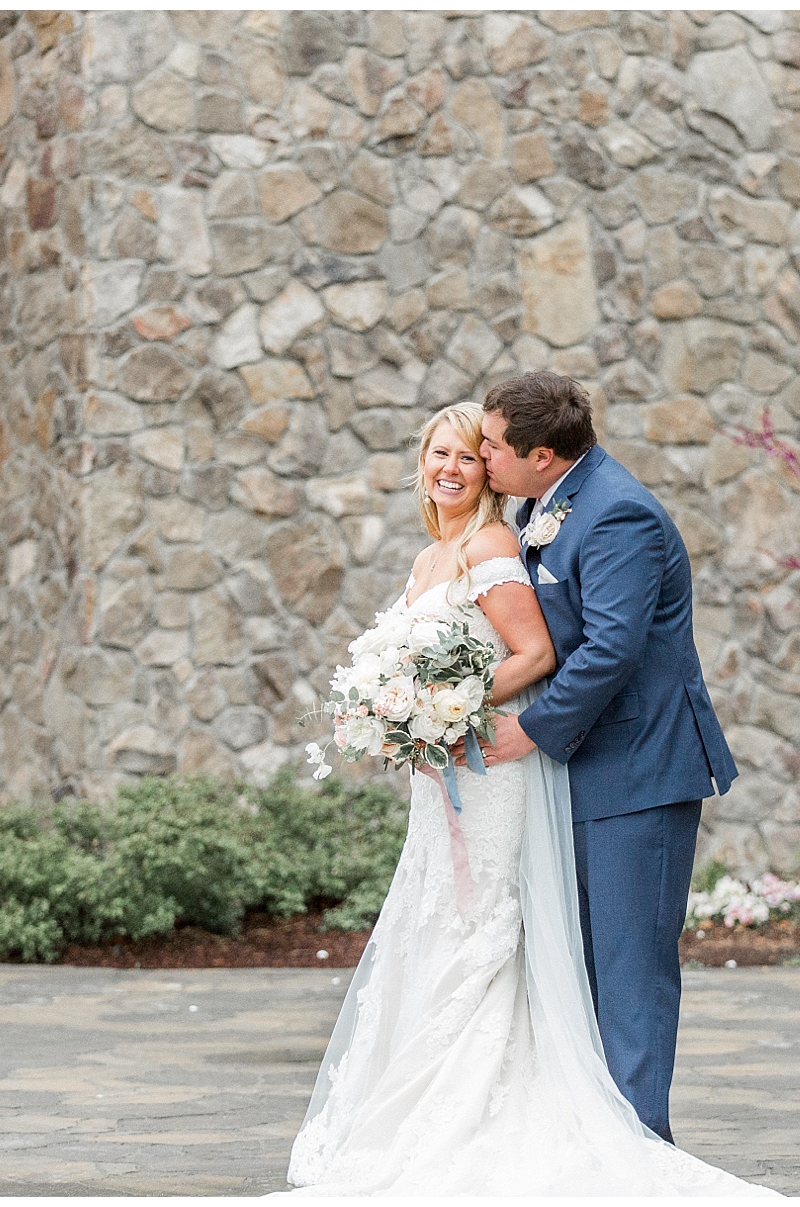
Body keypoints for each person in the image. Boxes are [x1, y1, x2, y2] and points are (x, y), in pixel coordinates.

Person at [286, 393, 767, 1195]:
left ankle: (640, 1150)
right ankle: (589, 1128)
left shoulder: (619, 515)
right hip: (570, 769)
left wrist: (522, 727)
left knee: (628, 964)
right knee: (570, 961)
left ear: (539, 458)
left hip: (636, 768)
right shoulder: (550, 505)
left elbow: (606, 647)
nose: (479, 462)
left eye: (490, 449)